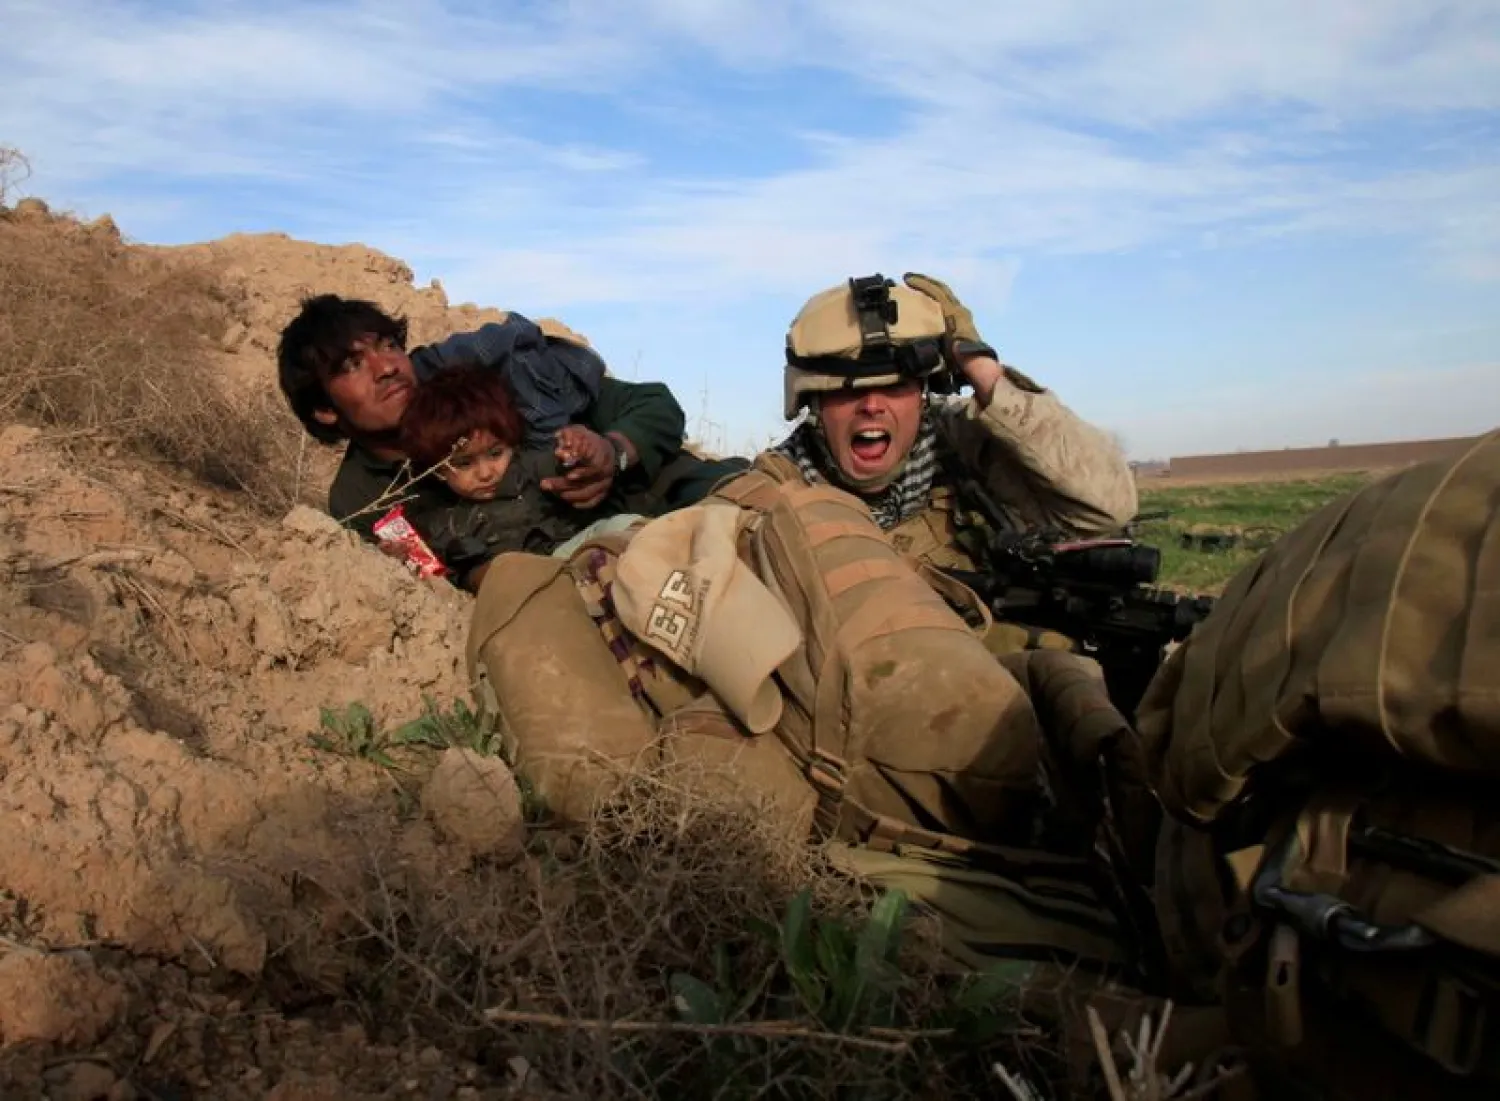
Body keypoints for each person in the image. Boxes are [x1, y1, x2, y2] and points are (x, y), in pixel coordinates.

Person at [275, 293, 744, 562]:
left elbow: (653, 404)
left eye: (386, 345)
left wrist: (613, 451)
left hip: (673, 495)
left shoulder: (487, 379)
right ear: (324, 411)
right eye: (352, 364)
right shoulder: (360, 502)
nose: (385, 367)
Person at [752, 271, 1138, 568]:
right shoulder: (772, 492)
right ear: (813, 404)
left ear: (923, 395)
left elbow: (1107, 508)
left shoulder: (964, 450)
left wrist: (979, 366)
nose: (872, 405)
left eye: (896, 386)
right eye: (849, 390)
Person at [395, 364, 647, 589]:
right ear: (436, 468)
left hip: (573, 560)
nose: (485, 473)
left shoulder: (529, 469)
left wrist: (578, 451)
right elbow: (448, 578)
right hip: (525, 590)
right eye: (464, 463)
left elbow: (562, 465)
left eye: (495, 454)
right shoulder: (440, 520)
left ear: (512, 444)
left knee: (624, 526)